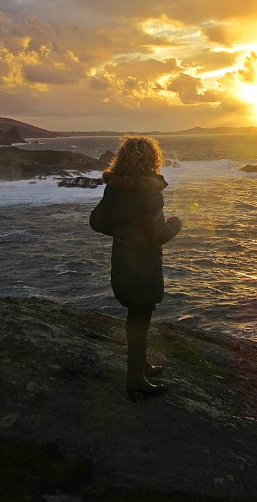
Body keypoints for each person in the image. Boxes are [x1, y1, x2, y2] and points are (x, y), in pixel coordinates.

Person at [89, 136, 182, 401]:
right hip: (143, 267)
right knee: (140, 319)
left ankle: (141, 366)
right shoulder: (149, 193)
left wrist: (122, 234)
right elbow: (158, 235)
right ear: (152, 159)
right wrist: (177, 223)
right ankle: (135, 382)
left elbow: (96, 222)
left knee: (136, 317)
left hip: (121, 264)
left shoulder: (113, 189)